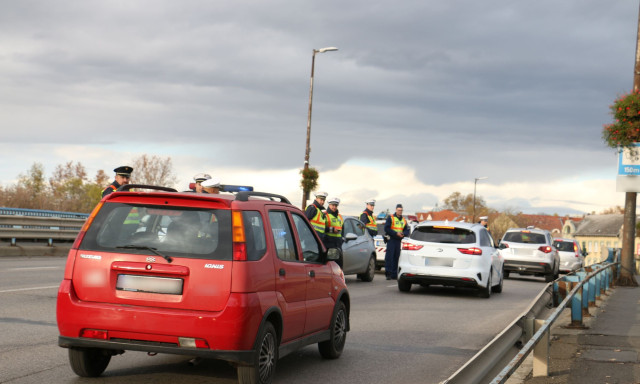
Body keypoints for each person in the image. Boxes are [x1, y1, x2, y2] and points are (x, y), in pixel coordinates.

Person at [384, 204, 410, 280]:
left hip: (398, 241)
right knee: (389, 257)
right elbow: (387, 228)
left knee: (396, 257)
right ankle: (388, 274)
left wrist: (403, 234)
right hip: (391, 240)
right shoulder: (391, 218)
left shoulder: (404, 220)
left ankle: (394, 274)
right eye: (399, 210)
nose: (400, 212)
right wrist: (395, 233)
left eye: (401, 210)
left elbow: (406, 230)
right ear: (396, 210)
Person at [324, 197, 344, 268]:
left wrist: (343, 239)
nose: (334, 207)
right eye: (332, 205)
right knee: (329, 266)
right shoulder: (325, 215)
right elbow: (321, 228)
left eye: (335, 205)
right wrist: (331, 229)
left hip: (338, 244)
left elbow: (343, 230)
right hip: (328, 243)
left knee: (339, 266)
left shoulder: (340, 217)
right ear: (329, 205)